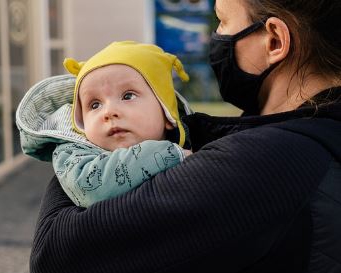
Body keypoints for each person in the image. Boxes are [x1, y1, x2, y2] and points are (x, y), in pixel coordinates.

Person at [28, 0, 341, 272]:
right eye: (95, 105)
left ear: (274, 41)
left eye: (223, 20)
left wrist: (75, 141)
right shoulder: (303, 128)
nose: (216, 35)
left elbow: (56, 255)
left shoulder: (267, 161)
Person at [21, 41, 192, 207]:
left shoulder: (199, 141)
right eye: (95, 105)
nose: (109, 112)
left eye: (128, 96)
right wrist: (169, 154)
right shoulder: (72, 154)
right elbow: (91, 188)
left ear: (167, 115)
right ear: (81, 122)